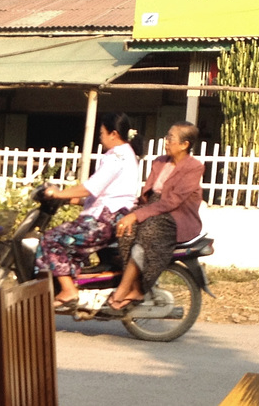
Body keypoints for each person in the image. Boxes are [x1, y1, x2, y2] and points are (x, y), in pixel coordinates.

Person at [35, 113, 143, 309]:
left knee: (50, 239)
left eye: (102, 133)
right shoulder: (123, 154)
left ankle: (69, 291)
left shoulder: (118, 156)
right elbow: (106, 192)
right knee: (66, 240)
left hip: (104, 221)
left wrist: (59, 193)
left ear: (114, 134)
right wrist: (75, 200)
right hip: (108, 215)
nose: (100, 137)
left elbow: (91, 186)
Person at [110, 121, 204, 311]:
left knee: (147, 231)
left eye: (171, 138)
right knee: (124, 229)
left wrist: (137, 216)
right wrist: (131, 213)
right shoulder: (160, 161)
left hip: (177, 215)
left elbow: (173, 201)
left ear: (185, 145)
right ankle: (135, 287)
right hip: (153, 208)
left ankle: (124, 289)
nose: (166, 141)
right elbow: (148, 196)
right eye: (167, 137)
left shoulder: (194, 167)